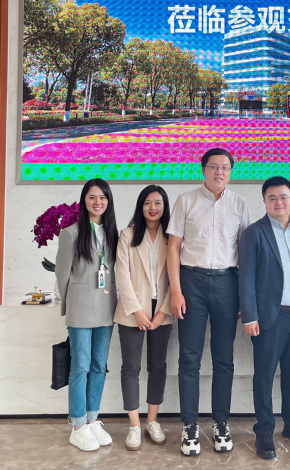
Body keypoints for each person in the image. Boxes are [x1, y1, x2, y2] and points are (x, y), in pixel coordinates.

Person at [167, 148, 251, 456]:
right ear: (203, 169)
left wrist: (243, 295)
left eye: (225, 167)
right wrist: (176, 291)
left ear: (230, 172)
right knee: (189, 358)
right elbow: (173, 248)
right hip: (191, 283)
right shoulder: (186, 200)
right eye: (214, 166)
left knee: (223, 358)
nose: (219, 172)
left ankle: (221, 423)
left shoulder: (239, 204)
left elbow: (244, 251)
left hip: (227, 284)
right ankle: (189, 425)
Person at [238, 176, 290, 460]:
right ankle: (264, 432)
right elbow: (246, 277)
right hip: (270, 318)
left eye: (284, 197)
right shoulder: (253, 233)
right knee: (264, 376)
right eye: (272, 198)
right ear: (264, 201)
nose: (279, 202)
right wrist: (249, 316)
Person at [54, 178, 119, 452]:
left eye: (102, 197)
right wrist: (68, 305)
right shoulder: (70, 234)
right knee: (80, 366)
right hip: (81, 309)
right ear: (84, 201)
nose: (97, 202)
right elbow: (62, 275)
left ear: (108, 201)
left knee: (99, 366)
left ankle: (92, 419)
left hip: (107, 309)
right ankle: (78, 425)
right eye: (92, 197)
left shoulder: (113, 233)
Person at [114, 185, 174, 451]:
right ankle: (134, 425)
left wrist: (163, 310)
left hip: (162, 308)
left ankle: (152, 421)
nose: (153, 207)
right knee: (130, 367)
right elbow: (122, 273)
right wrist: (136, 310)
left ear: (164, 207)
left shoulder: (172, 237)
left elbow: (176, 276)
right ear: (141, 206)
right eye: (148, 202)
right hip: (132, 309)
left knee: (157, 366)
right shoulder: (127, 235)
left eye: (158, 203)